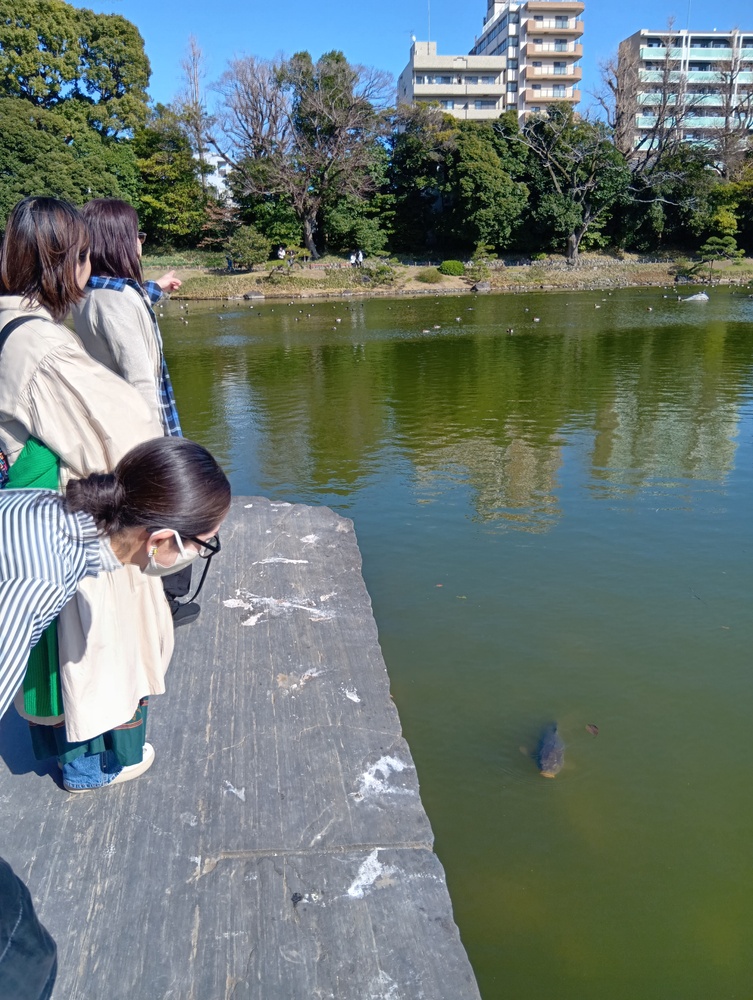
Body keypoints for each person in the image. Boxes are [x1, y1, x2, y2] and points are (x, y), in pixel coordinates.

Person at [0, 436, 230, 997]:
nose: (204, 554)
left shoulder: (52, 512)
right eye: (206, 544)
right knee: (25, 959)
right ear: (163, 540)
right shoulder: (42, 577)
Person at [0, 195, 168, 793]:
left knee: (46, 646)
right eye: (81, 255)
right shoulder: (40, 346)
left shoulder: (9, 325)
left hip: (21, 519)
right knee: (89, 644)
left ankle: (60, 754)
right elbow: (125, 425)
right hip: (62, 519)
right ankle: (92, 767)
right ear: (64, 262)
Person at [70, 199, 197, 625]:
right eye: (137, 234)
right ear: (120, 239)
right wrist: (159, 453)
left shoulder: (89, 293)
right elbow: (141, 381)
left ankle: (154, 596)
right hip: (144, 430)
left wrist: (156, 288)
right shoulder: (120, 300)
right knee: (169, 509)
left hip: (111, 427)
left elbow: (129, 308)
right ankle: (167, 602)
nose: (141, 242)